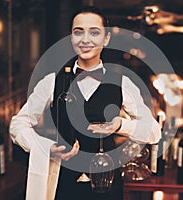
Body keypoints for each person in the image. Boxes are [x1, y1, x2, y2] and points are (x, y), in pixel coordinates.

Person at [10, 6, 161, 200]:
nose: (85, 39)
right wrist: (44, 147)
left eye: (94, 32)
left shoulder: (123, 82)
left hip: (107, 186)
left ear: (105, 39)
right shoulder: (52, 81)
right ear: (71, 38)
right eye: (78, 32)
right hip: (62, 185)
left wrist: (121, 125)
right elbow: (17, 125)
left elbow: (154, 132)